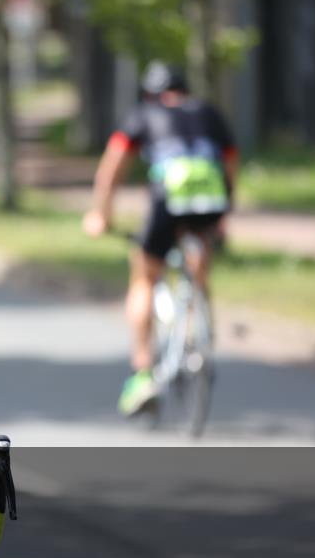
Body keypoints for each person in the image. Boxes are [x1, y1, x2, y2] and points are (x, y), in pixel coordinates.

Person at [82, 62, 239, 417]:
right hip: (210, 196)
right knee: (199, 255)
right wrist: (225, 213)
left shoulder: (143, 114)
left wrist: (101, 215)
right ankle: (198, 329)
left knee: (144, 277)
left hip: (169, 195)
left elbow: (112, 167)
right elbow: (230, 160)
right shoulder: (208, 112)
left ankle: (142, 376)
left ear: (149, 94)